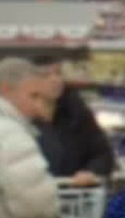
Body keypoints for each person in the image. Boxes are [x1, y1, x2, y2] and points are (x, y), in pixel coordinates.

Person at [0, 57, 60, 218]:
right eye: (33, 96)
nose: (37, 107)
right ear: (5, 89)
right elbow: (35, 203)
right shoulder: (9, 134)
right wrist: (53, 206)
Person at [30, 55, 115, 186]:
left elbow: (103, 154)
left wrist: (91, 172)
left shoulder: (76, 112)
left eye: (58, 73)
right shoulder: (21, 118)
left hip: (74, 193)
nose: (55, 80)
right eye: (45, 75)